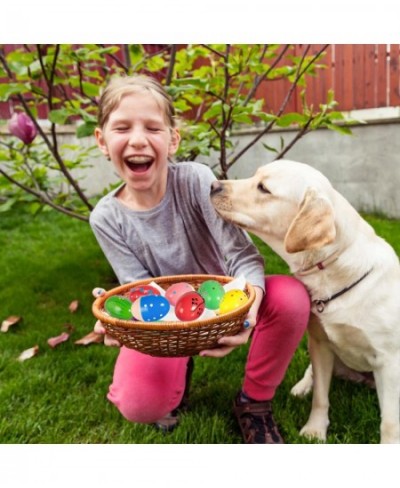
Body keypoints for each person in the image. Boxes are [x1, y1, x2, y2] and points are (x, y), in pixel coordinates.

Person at [90, 74, 310, 444]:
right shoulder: (107, 218)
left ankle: (254, 402)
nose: (138, 139)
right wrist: (126, 325)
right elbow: (141, 292)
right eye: (122, 127)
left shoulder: (195, 181)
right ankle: (177, 369)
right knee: (140, 405)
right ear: (102, 140)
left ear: (173, 139)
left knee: (290, 297)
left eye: (153, 128)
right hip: (167, 321)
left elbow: (242, 255)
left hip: (228, 303)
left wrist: (249, 309)